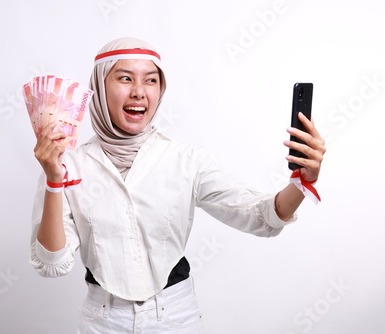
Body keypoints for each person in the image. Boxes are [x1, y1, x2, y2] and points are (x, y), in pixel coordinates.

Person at [29, 37, 326, 334]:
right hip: (103, 321)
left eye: (151, 80)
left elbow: (260, 216)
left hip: (175, 318)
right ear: (98, 86)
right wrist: (55, 181)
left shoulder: (185, 160)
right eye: (124, 78)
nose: (139, 92)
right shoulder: (66, 165)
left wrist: (303, 181)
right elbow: (52, 263)